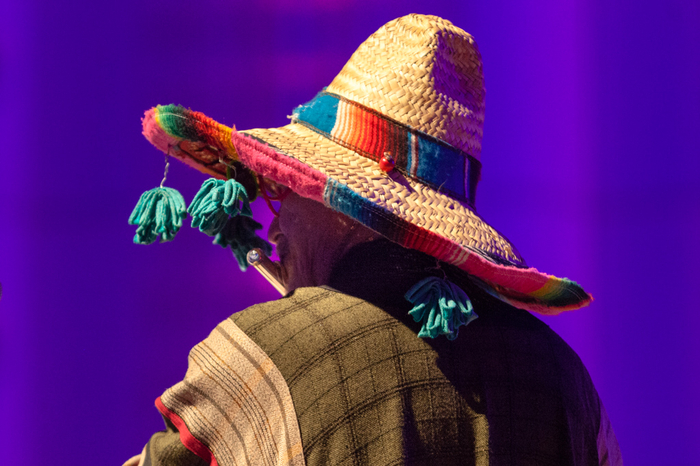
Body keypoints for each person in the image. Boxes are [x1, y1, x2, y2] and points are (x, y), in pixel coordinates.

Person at [124, 14, 622, 466]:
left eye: (286, 191)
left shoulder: (266, 357)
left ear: (347, 209)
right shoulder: (562, 376)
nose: (273, 230)